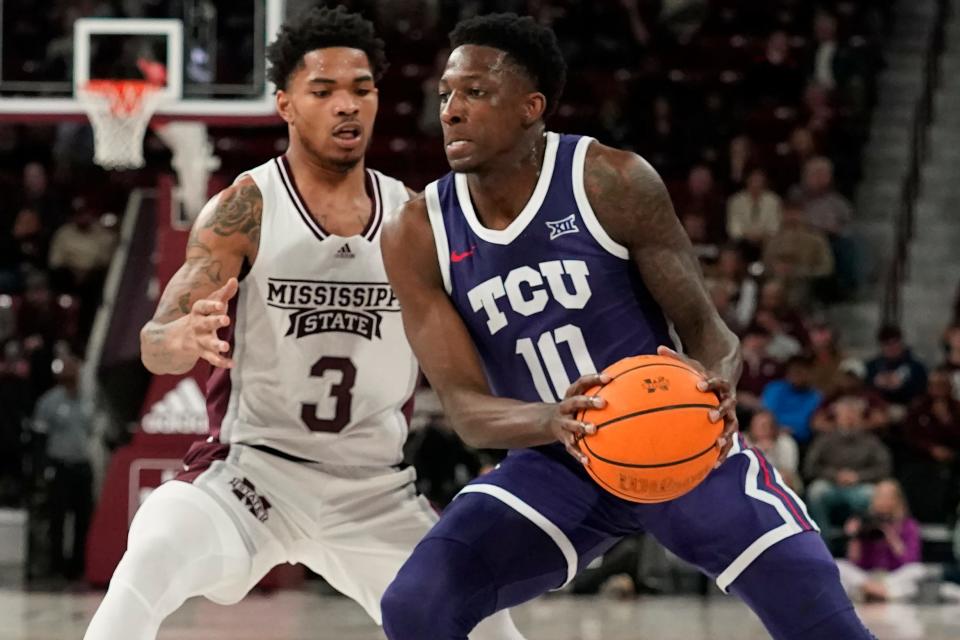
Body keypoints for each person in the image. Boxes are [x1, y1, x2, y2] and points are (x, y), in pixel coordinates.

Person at [379, 14, 874, 640]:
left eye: (475, 93)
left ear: (532, 107)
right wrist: (555, 420)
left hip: (673, 438)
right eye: (446, 93)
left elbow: (708, 329)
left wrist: (716, 382)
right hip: (553, 462)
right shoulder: (417, 231)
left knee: (818, 613)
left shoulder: (609, 180)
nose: (450, 111)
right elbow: (468, 409)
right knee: (416, 606)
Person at [84, 8, 521, 640]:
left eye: (362, 90)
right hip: (251, 477)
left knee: (486, 629)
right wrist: (177, 338)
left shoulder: (416, 218)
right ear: (286, 103)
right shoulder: (246, 207)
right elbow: (159, 341)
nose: (347, 106)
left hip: (375, 492)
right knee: (151, 551)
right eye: (324, 92)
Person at [32, 352, 93, 579]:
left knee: (82, 519)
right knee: (57, 519)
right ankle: (55, 566)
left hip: (82, 466)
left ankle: (77, 567)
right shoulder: (49, 402)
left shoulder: (88, 401)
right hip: (59, 467)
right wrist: (43, 469)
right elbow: (39, 438)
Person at [804, 396, 893, 531]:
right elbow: (810, 467)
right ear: (837, 417)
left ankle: (863, 538)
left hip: (860, 486)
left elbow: (884, 468)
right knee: (816, 492)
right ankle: (823, 538)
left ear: (860, 418)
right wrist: (835, 475)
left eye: (853, 415)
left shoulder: (871, 441)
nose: (849, 419)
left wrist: (858, 476)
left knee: (874, 495)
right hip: (830, 485)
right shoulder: (824, 440)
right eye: (845, 414)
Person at [836, 480, 928, 602]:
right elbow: (854, 561)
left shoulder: (909, 525)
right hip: (867, 577)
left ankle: (876, 593)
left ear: (897, 500)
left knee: (918, 570)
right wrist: (854, 536)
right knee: (838, 565)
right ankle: (880, 593)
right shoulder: (865, 522)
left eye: (888, 497)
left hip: (892, 577)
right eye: (879, 496)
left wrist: (891, 536)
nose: (883, 501)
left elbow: (911, 560)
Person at [761, 354, 822, 445]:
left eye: (801, 371)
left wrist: (792, 430)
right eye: (794, 371)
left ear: (809, 373)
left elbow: (806, 424)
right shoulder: (775, 388)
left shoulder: (815, 396)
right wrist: (778, 428)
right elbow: (766, 415)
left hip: (800, 441)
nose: (797, 375)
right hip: (772, 435)